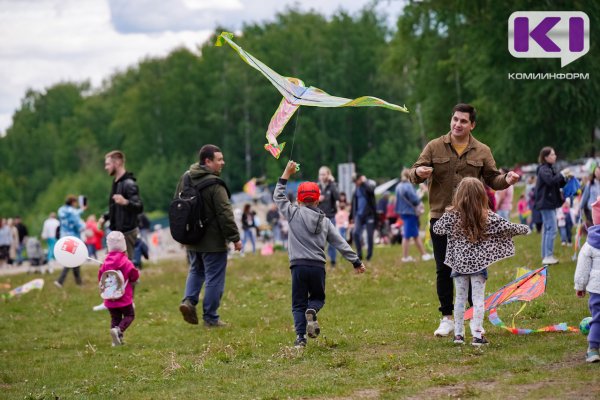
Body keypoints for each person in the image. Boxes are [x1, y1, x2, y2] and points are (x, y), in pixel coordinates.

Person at [409, 103, 520, 337]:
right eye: (455, 119)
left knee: (474, 267)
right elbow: (414, 171)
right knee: (443, 268)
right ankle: (447, 318)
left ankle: (473, 317)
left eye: (463, 121)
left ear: (472, 125)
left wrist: (507, 179)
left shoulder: (482, 150)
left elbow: (493, 179)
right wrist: (418, 173)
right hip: (441, 217)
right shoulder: (434, 146)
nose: (457, 124)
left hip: (472, 220)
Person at [274, 160, 366, 347]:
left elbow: (278, 196)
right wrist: (355, 261)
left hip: (298, 266)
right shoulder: (324, 221)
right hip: (317, 267)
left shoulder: (292, 213)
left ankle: (300, 339)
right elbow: (340, 242)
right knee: (317, 299)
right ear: (318, 200)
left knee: (298, 304)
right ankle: (313, 310)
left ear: (298, 200)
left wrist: (286, 173)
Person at [433, 178, 530, 346]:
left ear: (459, 194)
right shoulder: (486, 216)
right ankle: (477, 335)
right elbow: (507, 227)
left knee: (460, 299)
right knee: (478, 301)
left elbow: (437, 229)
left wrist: (450, 218)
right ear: (481, 195)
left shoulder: (452, 215)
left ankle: (458, 335)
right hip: (478, 267)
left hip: (459, 265)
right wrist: (525, 229)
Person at [177, 144, 242, 327]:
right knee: (214, 277)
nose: (223, 162)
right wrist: (235, 238)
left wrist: (183, 234)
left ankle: (188, 301)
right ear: (208, 161)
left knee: (196, 270)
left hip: (192, 239)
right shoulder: (215, 185)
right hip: (213, 241)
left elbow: (178, 205)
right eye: (219, 159)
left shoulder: (186, 177)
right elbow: (225, 213)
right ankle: (211, 318)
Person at [98, 231, 139, 346]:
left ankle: (115, 341)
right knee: (129, 315)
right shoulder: (127, 262)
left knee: (115, 318)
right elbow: (134, 276)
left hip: (110, 298)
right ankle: (118, 330)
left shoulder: (104, 263)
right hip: (124, 298)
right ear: (124, 247)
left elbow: (100, 278)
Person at [102, 150, 144, 259]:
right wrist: (105, 217)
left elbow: (139, 207)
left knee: (125, 271)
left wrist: (125, 202)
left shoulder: (129, 184)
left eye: (108, 164)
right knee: (112, 269)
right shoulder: (116, 182)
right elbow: (116, 208)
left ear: (118, 163)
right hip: (116, 234)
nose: (106, 167)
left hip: (127, 234)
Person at [575, 198, 600, 363]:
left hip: (597, 289)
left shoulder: (590, 243)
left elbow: (582, 267)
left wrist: (580, 285)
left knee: (598, 317)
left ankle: (592, 349)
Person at [534, 147, 569, 265]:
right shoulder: (543, 169)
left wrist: (565, 177)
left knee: (547, 230)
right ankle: (548, 256)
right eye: (552, 154)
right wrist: (562, 174)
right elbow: (550, 181)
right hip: (546, 203)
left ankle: (545, 256)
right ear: (546, 157)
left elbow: (557, 182)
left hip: (548, 203)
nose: (555, 156)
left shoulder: (548, 168)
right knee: (552, 229)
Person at [395, 168, 433, 262]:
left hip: (403, 212)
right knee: (407, 236)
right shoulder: (408, 186)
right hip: (410, 212)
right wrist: (421, 194)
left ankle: (424, 254)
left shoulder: (398, 186)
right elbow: (415, 200)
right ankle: (405, 257)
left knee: (415, 235)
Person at [54, 195, 86, 288]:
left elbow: (73, 214)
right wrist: (83, 228)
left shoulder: (61, 210)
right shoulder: (73, 212)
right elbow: (78, 224)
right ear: (73, 202)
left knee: (74, 259)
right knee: (72, 259)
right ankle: (60, 281)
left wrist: (82, 210)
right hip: (73, 238)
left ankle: (78, 282)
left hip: (64, 237)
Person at [349, 174, 376, 261]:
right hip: (359, 215)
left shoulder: (367, 186)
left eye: (356, 181)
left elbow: (372, 191)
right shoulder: (356, 189)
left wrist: (364, 182)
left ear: (360, 179)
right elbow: (353, 203)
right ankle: (359, 253)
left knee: (369, 235)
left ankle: (369, 255)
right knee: (355, 233)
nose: (355, 183)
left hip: (369, 214)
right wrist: (351, 215)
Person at [317, 166, 340, 267]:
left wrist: (333, 183)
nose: (321, 176)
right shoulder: (317, 187)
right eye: (320, 174)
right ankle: (320, 261)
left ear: (328, 175)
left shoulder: (332, 186)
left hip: (330, 217)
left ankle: (333, 261)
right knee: (319, 241)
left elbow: (338, 197)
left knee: (331, 240)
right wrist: (317, 199)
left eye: (324, 174)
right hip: (319, 217)